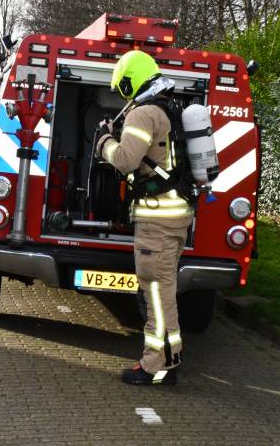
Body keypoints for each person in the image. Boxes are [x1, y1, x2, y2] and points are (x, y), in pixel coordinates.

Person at [95, 50, 194, 386]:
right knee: (161, 290)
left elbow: (125, 160)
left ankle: (159, 366)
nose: (124, 97)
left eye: (123, 88)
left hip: (157, 222)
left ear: (130, 81)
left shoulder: (143, 113)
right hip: (175, 217)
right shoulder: (169, 109)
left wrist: (104, 141)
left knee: (157, 294)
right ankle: (165, 360)